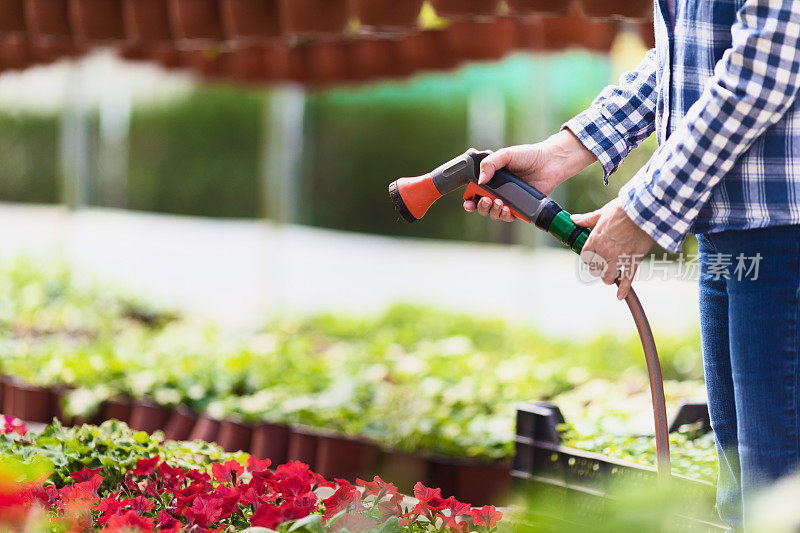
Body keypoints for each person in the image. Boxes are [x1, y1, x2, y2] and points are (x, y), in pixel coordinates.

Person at [465, 0, 800, 529]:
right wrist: (563, 152)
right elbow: (687, 57)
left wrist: (643, 209)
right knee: (747, 498)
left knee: (776, 498)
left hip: (785, 232)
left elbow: (764, 67)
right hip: (730, 226)